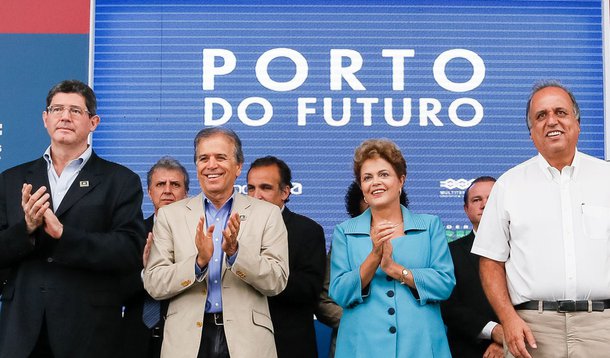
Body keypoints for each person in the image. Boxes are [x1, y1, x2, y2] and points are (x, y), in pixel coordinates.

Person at [0, 79, 145, 357]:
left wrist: (64, 236)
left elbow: (128, 250)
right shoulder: (12, 179)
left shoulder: (120, 180)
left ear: (93, 122)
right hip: (22, 331)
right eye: (57, 109)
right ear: (45, 118)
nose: (65, 117)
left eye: (76, 111)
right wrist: (27, 228)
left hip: (89, 331)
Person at [472, 80, 610, 358]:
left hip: (602, 326)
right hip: (532, 329)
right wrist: (508, 319)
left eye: (560, 112)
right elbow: (490, 262)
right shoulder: (508, 185)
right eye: (541, 115)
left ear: (577, 123)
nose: (552, 121)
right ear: (531, 134)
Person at [143, 127, 289, 358]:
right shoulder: (170, 215)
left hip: (247, 343)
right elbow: (154, 284)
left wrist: (235, 253)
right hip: (185, 341)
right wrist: (198, 262)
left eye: (220, 157)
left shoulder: (267, 214)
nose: (211, 165)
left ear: (239, 167)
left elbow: (277, 281)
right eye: (203, 158)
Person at [329, 139, 455, 357]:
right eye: (367, 177)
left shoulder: (430, 225)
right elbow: (339, 293)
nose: (375, 182)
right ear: (362, 188)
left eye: (384, 174)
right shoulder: (344, 231)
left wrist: (396, 269)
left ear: (401, 180)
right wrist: (374, 257)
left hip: (420, 346)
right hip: (362, 347)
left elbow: (444, 284)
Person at [316, 181, 410, 357]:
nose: (376, 201)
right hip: (353, 344)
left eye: (384, 194)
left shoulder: (415, 239)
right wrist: (361, 322)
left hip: (405, 344)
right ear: (357, 202)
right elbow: (325, 301)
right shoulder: (342, 241)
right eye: (368, 197)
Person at [246, 156, 326, 358]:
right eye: (251, 188)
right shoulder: (233, 230)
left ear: (285, 192)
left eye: (265, 188)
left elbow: (309, 290)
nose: (257, 196)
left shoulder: (308, 230)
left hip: (289, 345)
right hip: (242, 346)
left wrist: (256, 271)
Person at [122, 156, 190, 358]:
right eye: (160, 184)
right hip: (134, 339)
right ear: (150, 192)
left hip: (182, 340)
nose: (167, 190)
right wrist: (145, 273)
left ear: (186, 193)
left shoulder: (198, 237)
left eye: (175, 184)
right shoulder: (131, 234)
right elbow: (116, 289)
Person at [441, 176, 503, 358]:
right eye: (477, 200)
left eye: (491, 199)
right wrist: (494, 331)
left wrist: (509, 340)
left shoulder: (523, 251)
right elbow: (448, 305)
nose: (484, 205)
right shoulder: (448, 252)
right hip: (467, 350)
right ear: (466, 210)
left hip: (521, 348)